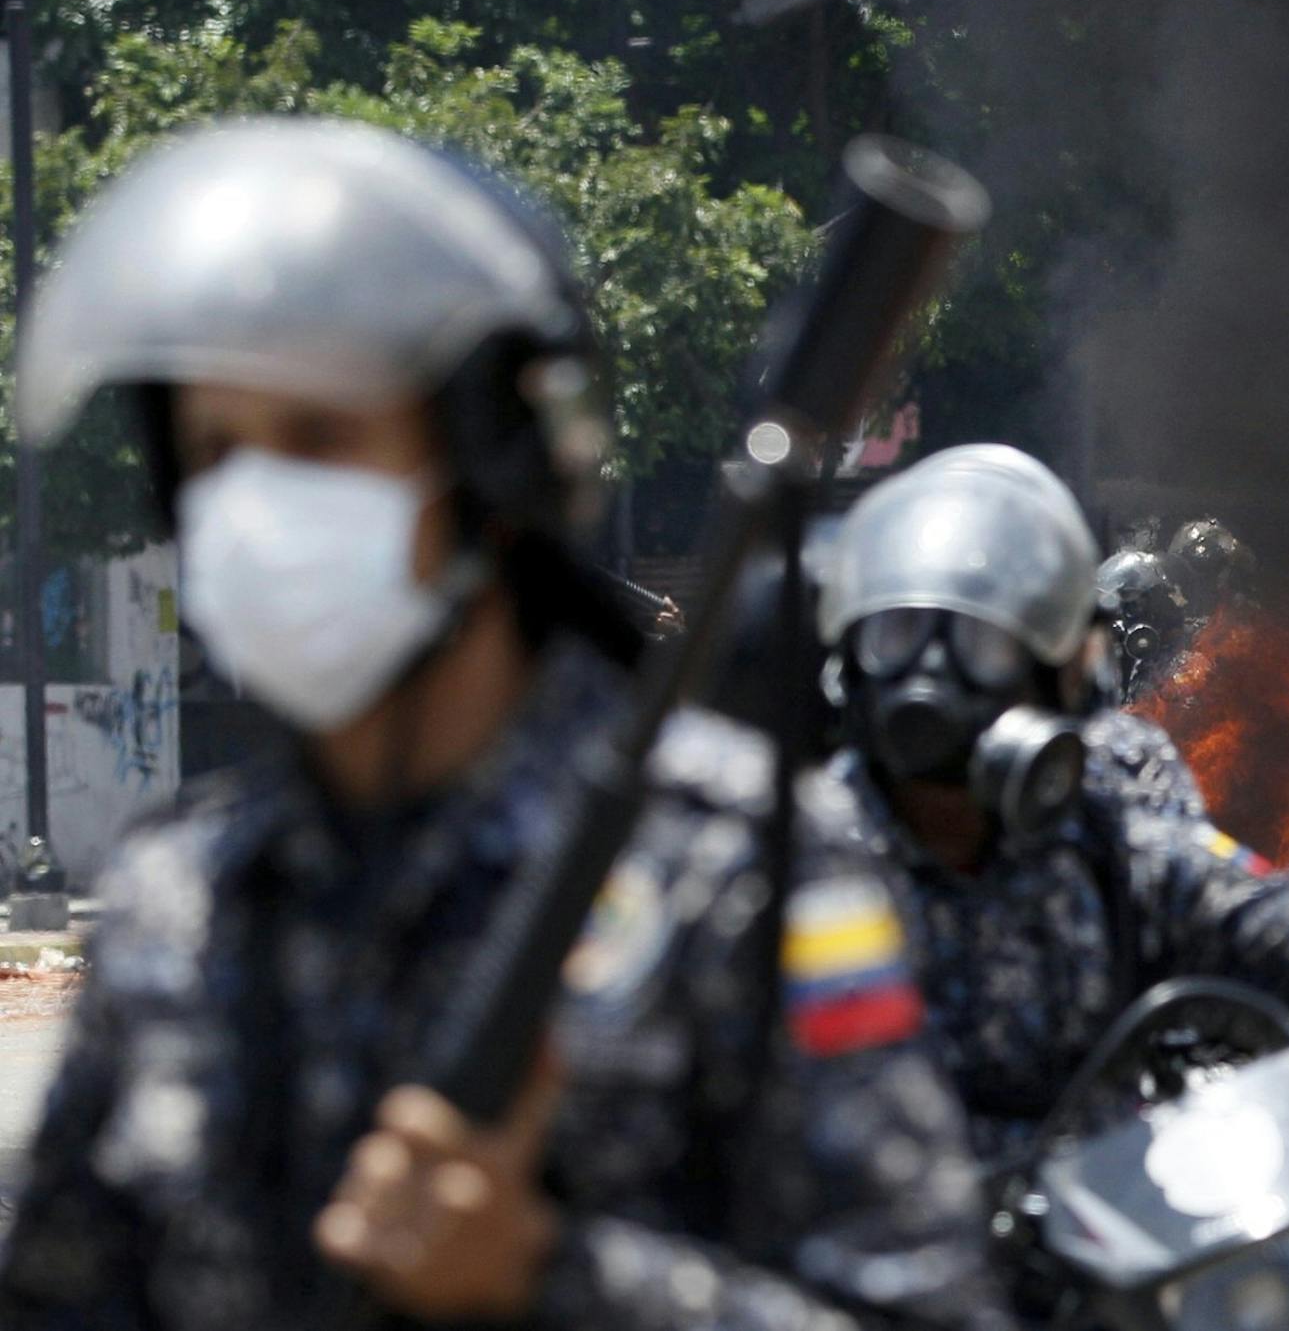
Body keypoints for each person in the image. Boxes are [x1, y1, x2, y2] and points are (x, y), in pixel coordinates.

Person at [0, 118, 1008, 1331]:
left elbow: (932, 1311)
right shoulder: (180, 892)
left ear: (490, 467)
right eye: (216, 452)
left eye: (322, 437)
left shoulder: (736, 870)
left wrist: (555, 1273)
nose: (255, 504)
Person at [808, 444, 1289, 1165]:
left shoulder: (1105, 843)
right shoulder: (772, 859)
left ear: (1062, 681)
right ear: (845, 666)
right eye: (896, 637)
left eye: (983, 647)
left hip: (1080, 1243)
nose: (932, 679)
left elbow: (1281, 926)